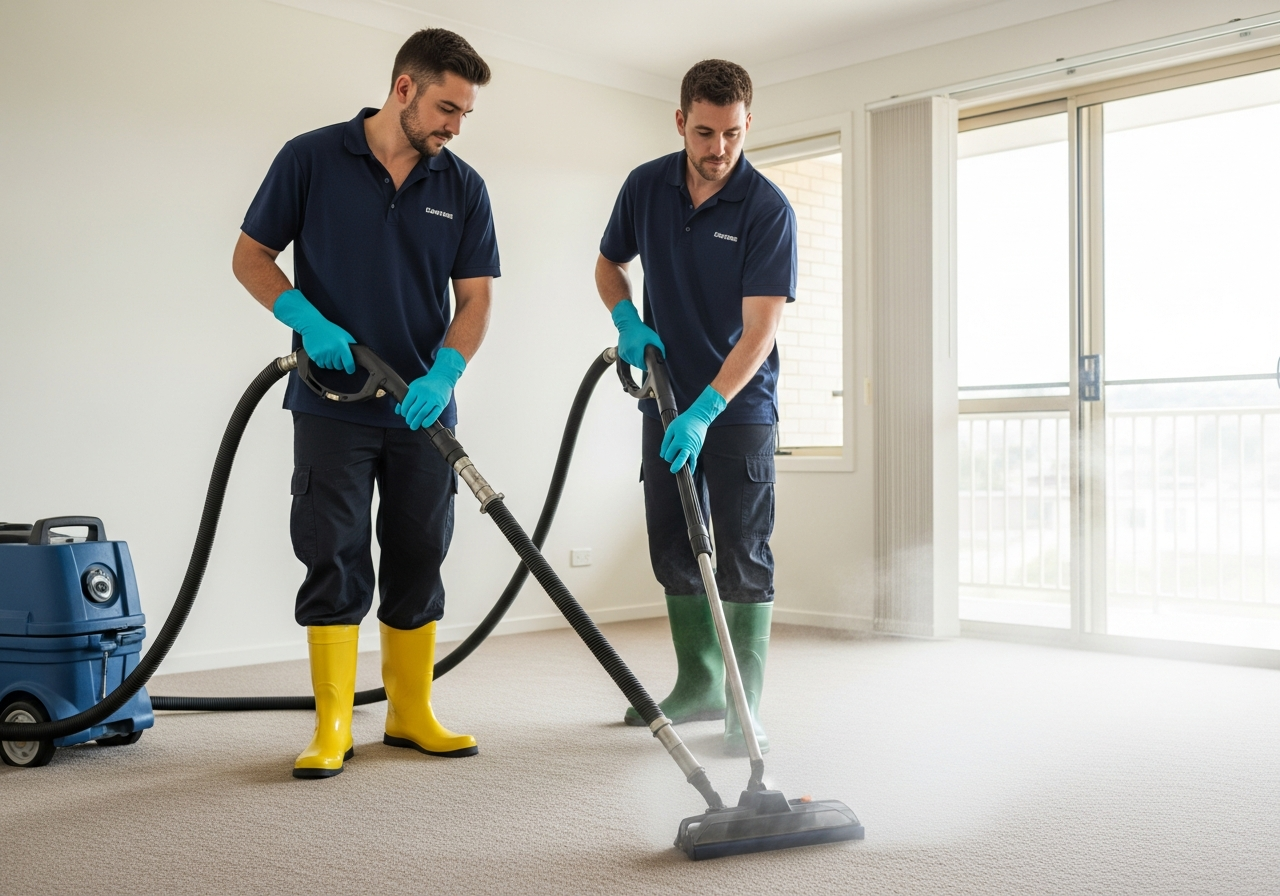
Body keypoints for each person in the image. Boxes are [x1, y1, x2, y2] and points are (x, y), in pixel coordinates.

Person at [231, 29, 500, 778]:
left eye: (465, 114)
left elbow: (476, 298)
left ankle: (411, 714)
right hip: (331, 406)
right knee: (333, 556)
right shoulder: (311, 158)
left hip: (422, 409)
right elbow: (251, 256)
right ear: (405, 89)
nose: (455, 125)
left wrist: (445, 375)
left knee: (420, 555)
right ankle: (335, 724)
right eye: (448, 107)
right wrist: (307, 320)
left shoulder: (463, 187)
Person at [595, 60, 796, 754]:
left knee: (743, 552)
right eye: (705, 133)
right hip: (664, 397)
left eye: (733, 135)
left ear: (747, 125)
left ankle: (745, 707)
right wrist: (626, 317)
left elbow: (761, 331)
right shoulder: (645, 187)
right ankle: (700, 683)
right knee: (673, 542)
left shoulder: (766, 209)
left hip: (738, 409)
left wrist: (707, 409)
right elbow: (608, 263)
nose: (718, 150)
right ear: (681, 120)